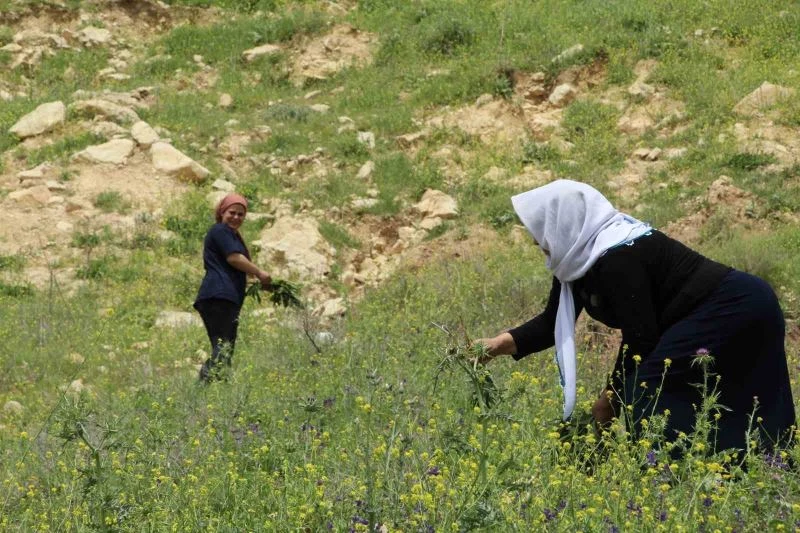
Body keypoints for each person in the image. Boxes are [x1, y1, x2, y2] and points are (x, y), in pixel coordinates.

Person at [476, 179, 796, 455]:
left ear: (564, 224)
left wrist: (609, 399)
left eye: (540, 230)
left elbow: (641, 338)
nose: (536, 240)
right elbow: (551, 325)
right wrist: (494, 346)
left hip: (737, 308)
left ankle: (665, 476)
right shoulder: (576, 260)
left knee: (644, 391)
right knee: (650, 391)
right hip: (716, 312)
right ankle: (723, 472)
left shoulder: (618, 256)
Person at [194, 193, 271, 382]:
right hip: (219, 296)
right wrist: (260, 273)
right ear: (222, 212)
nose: (236, 217)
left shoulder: (231, 235)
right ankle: (203, 386)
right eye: (232, 213)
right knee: (223, 347)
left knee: (224, 347)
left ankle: (216, 388)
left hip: (223, 297)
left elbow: (233, 264)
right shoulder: (221, 230)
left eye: (240, 214)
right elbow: (233, 258)